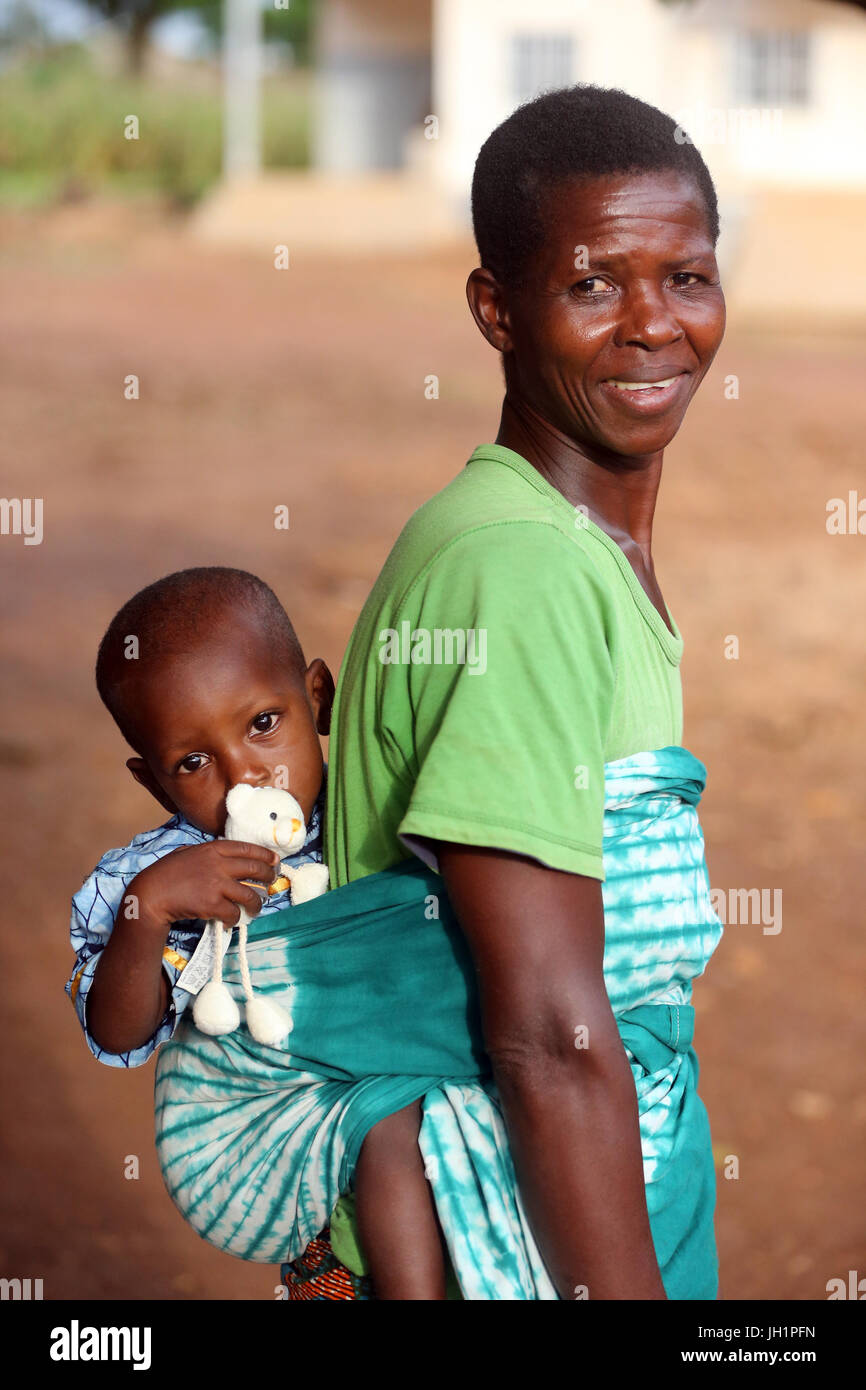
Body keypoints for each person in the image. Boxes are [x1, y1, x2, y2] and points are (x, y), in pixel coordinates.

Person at [285, 82, 727, 1300]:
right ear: (497, 309)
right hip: (509, 1245)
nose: (653, 324)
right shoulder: (520, 574)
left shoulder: (554, 542)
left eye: (684, 275)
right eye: (593, 284)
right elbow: (541, 1036)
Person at [65, 565, 452, 1299]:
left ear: (317, 699)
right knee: (390, 1123)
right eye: (195, 762)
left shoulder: (373, 815)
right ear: (153, 783)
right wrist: (148, 912)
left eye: (264, 724)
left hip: (419, 1090)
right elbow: (116, 1033)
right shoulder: (160, 875)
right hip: (277, 1126)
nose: (247, 775)